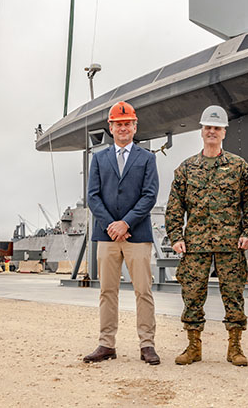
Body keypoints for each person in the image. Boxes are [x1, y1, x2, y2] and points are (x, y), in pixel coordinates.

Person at [166, 105, 248, 366]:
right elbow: (175, 206)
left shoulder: (239, 167)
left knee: (233, 294)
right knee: (192, 294)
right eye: (208, 128)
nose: (212, 132)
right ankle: (193, 346)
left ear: (224, 132)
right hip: (195, 244)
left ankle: (235, 347)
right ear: (201, 131)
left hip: (231, 244)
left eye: (216, 128)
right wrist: (175, 237)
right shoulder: (187, 168)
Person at [83, 101, 161, 365]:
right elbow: (93, 197)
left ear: (135, 126)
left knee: (143, 290)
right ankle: (107, 344)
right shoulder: (99, 159)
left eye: (128, 123)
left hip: (136, 235)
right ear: (111, 127)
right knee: (107, 290)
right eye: (119, 124)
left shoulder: (147, 158)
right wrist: (111, 225)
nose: (123, 128)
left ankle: (147, 344)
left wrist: (125, 224)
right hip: (107, 236)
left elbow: (149, 195)